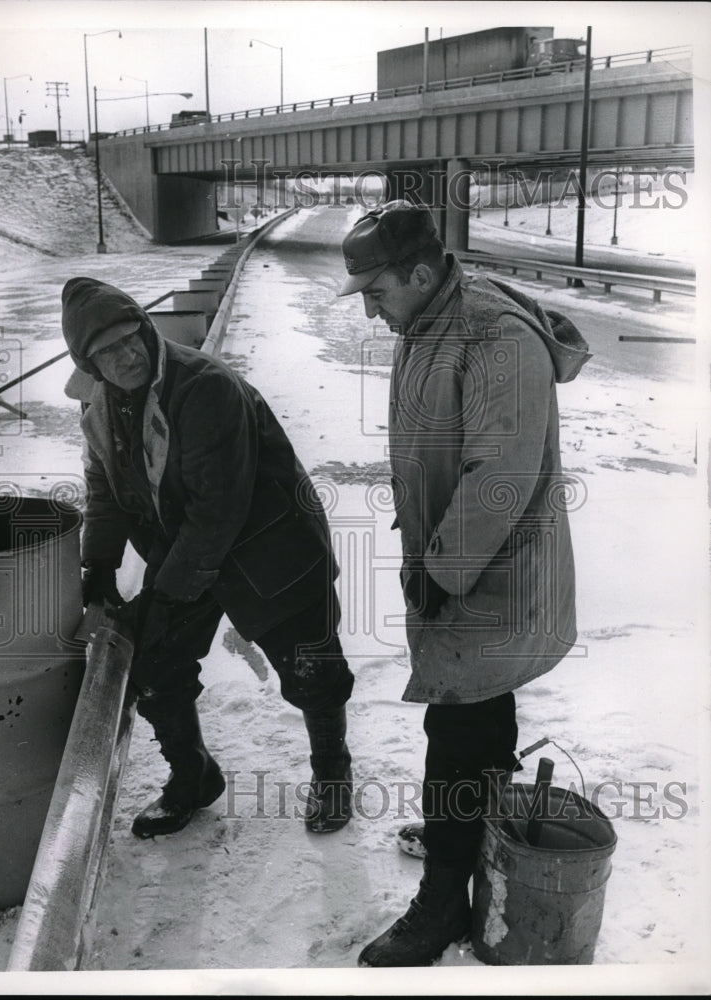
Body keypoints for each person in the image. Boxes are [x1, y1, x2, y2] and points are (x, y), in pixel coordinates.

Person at [337, 200, 591, 967]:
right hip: (460, 568)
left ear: (420, 273)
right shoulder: (427, 321)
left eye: (376, 292)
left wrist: (440, 572)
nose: (372, 311)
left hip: (489, 578)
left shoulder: (490, 334)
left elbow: (498, 479)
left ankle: (444, 900)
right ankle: (468, 833)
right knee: (472, 726)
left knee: (457, 733)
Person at [61, 276, 354, 840]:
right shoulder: (98, 406)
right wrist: (97, 566)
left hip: (271, 545)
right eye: (107, 352)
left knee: (313, 671)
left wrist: (168, 594)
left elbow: (217, 510)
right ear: (89, 363)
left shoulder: (203, 387)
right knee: (154, 659)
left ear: (147, 331)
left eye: (132, 340)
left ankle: (333, 775)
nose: (126, 357)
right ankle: (192, 778)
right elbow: (104, 488)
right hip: (187, 546)